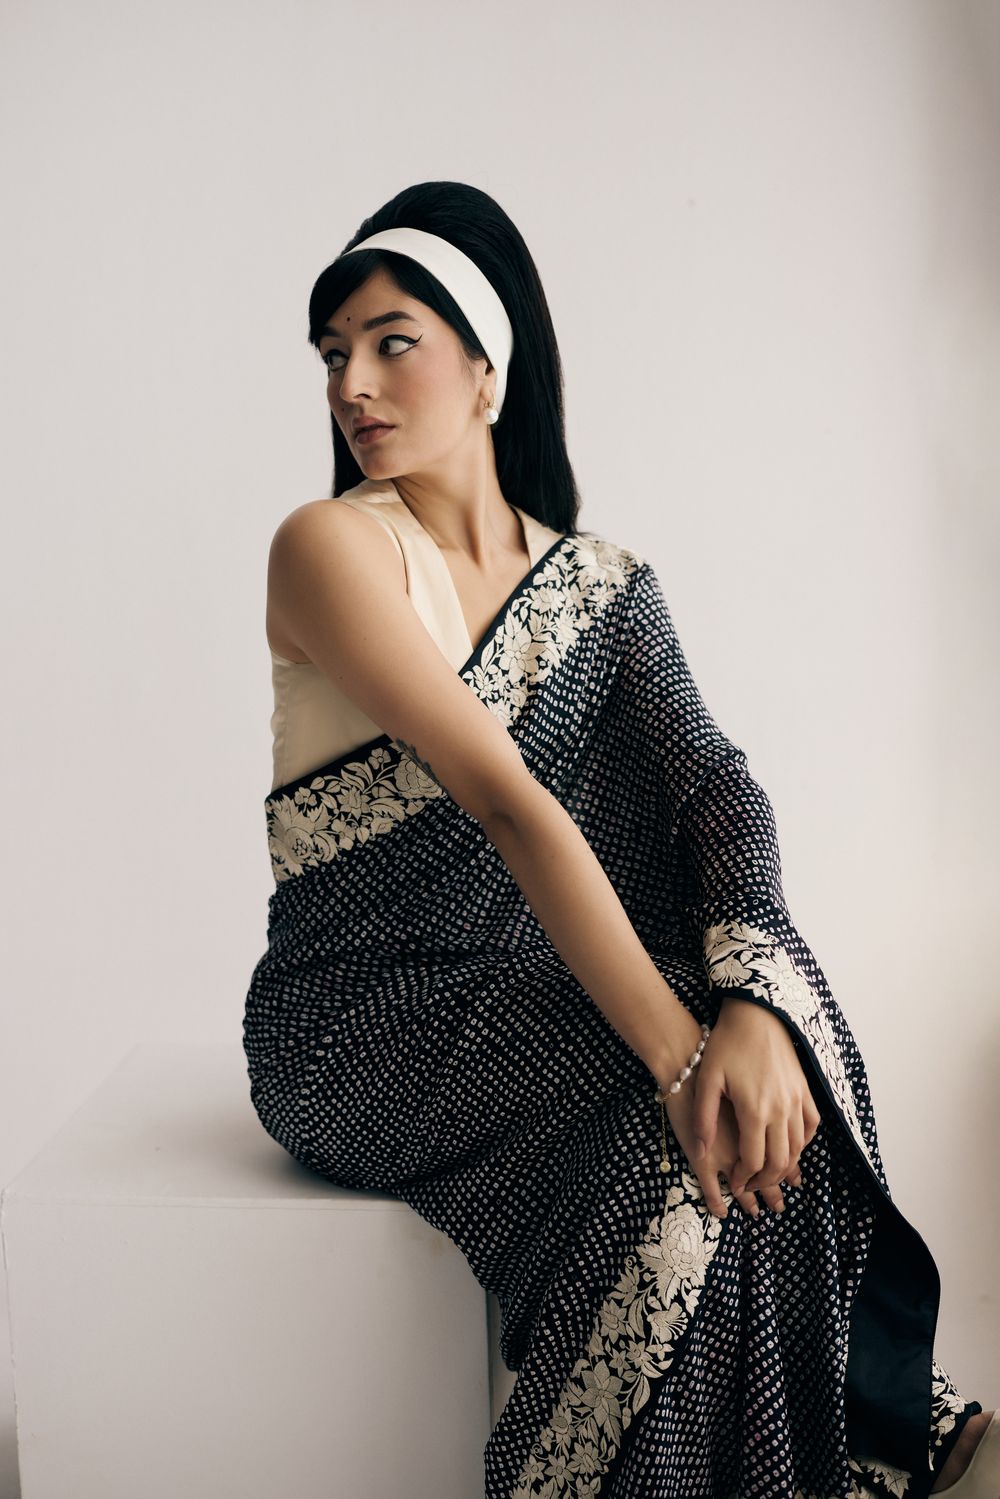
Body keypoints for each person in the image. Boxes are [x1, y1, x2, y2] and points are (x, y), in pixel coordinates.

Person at [242, 180, 996, 1499]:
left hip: (532, 993)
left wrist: (751, 1010)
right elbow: (507, 802)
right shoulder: (328, 549)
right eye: (333, 354)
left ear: (489, 366)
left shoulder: (600, 586)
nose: (351, 384)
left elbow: (713, 785)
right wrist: (683, 1054)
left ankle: (833, 1453)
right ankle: (874, 1449)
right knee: (699, 1143)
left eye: (391, 342)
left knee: (768, 1099)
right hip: (359, 1023)